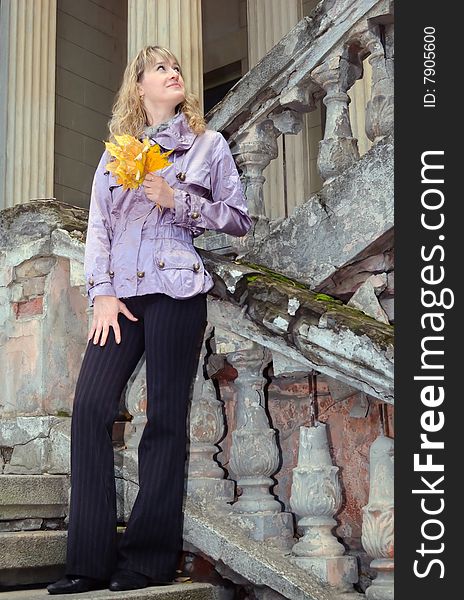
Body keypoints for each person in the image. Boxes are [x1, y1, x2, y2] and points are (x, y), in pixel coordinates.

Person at [47, 45, 252, 595]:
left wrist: (177, 198)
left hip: (177, 293)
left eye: (176, 67)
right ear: (138, 87)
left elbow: (239, 219)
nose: (173, 73)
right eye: (160, 68)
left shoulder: (208, 147)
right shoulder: (117, 154)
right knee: (90, 408)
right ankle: (87, 561)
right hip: (122, 300)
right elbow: (97, 229)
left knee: (164, 421)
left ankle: (147, 560)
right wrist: (102, 294)